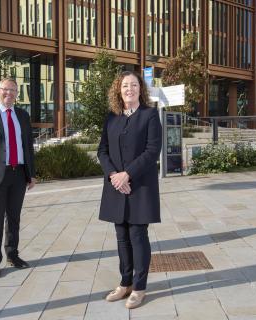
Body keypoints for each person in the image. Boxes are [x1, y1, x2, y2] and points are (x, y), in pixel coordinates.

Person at [97, 71, 162, 309]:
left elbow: (152, 150)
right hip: (116, 186)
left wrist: (128, 173)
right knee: (121, 236)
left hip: (140, 186)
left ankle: (140, 287)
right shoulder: (112, 117)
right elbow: (102, 150)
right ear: (118, 90)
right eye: (125, 86)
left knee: (137, 235)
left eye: (134, 85)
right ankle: (124, 283)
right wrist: (114, 175)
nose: (129, 89)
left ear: (140, 90)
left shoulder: (150, 115)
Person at [0, 77, 36, 278]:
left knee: (14, 218)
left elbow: (28, 147)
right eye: (5, 90)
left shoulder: (23, 115)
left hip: (18, 174)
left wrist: (31, 174)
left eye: (13, 90)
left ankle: (13, 254)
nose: (9, 93)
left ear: (17, 94)